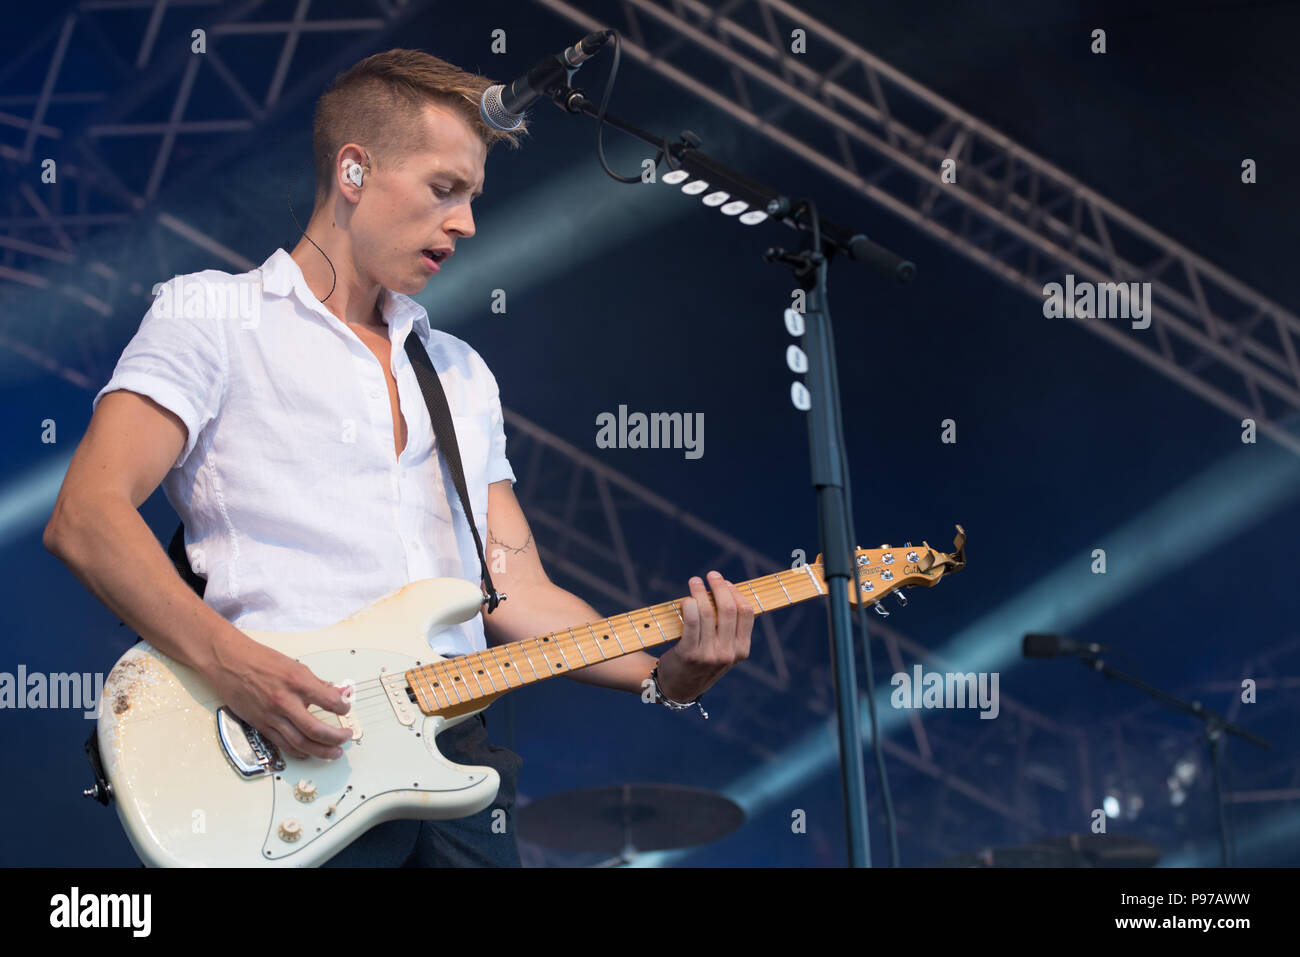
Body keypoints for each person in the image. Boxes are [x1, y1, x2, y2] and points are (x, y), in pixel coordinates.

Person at [42, 48, 754, 867]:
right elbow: (87, 515)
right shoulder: (213, 315)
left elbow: (517, 590)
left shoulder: (459, 371)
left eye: (474, 198)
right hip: (287, 754)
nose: (466, 223)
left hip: (457, 761)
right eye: (444, 189)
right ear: (353, 170)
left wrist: (662, 678)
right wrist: (237, 667)